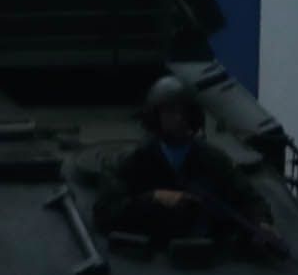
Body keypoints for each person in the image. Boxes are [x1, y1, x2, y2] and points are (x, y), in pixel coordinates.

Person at [93, 76, 265, 238]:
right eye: (170, 111)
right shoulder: (136, 160)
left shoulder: (213, 159)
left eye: (185, 111)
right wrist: (152, 197)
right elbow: (105, 212)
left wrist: (262, 223)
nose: (179, 118)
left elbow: (249, 197)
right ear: (155, 116)